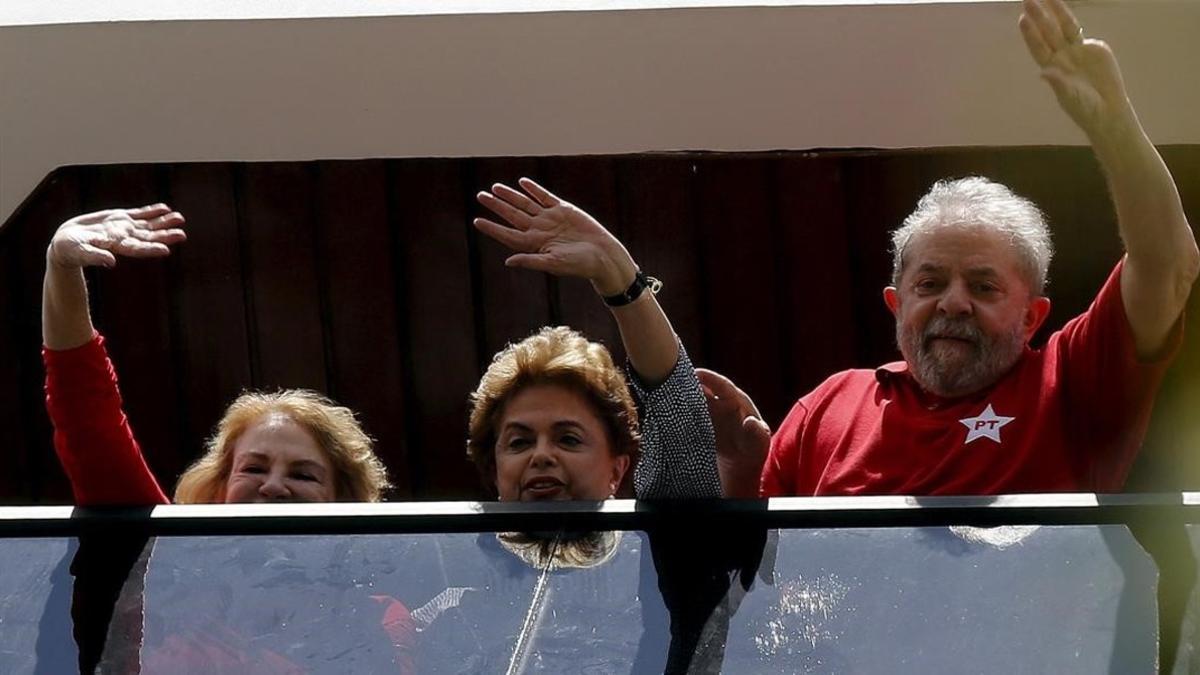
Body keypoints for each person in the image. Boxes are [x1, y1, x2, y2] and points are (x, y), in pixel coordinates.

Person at [706, 0, 1199, 497]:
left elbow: (1169, 264)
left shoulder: (1069, 383)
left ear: (1032, 318)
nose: (953, 302)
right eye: (929, 283)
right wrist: (742, 472)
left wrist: (1111, 127)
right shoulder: (830, 406)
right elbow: (754, 568)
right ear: (895, 305)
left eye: (983, 286)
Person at [42, 204, 391, 505]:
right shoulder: (164, 558)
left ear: (343, 501)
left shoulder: (376, 586)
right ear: (219, 487)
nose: (273, 486)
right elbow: (86, 414)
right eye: (253, 468)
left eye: (304, 475)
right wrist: (61, 266)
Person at [468, 178, 728, 502]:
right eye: (519, 442)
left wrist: (617, 274)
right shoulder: (451, 554)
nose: (542, 456)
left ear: (616, 470)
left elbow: (674, 411)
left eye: (569, 439)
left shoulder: (654, 549)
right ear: (494, 471)